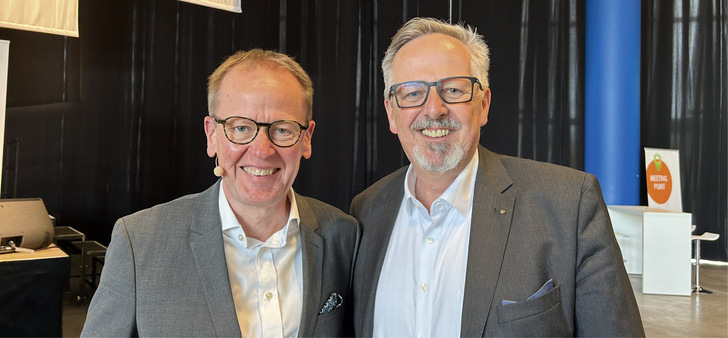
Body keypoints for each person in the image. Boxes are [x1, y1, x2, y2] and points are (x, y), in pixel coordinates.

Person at [350, 17, 644, 337]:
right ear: (392, 112)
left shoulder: (569, 206)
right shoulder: (364, 213)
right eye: (412, 93)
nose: (434, 109)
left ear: (484, 104)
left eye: (453, 89)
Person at [81, 49, 360, 337]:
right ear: (211, 135)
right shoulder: (138, 241)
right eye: (240, 127)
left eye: (282, 130)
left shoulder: (344, 236)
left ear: (307, 138)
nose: (262, 150)